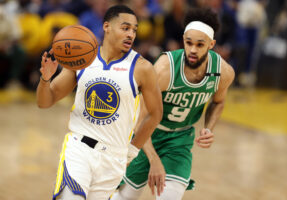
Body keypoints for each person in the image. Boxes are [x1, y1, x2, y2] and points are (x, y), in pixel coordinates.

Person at [36, 5, 163, 200]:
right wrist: (46, 79)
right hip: (79, 149)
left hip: (114, 159)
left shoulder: (142, 68)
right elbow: (45, 101)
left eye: (134, 30)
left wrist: (134, 149)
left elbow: (155, 113)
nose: (131, 34)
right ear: (107, 27)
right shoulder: (82, 59)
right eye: (125, 28)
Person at [110, 7, 235, 200]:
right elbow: (139, 120)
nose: (192, 50)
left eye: (200, 45)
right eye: (188, 43)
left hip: (179, 139)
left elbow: (218, 102)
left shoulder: (223, 72)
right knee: (125, 197)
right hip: (144, 135)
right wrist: (154, 161)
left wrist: (209, 128)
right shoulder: (163, 69)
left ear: (211, 44)